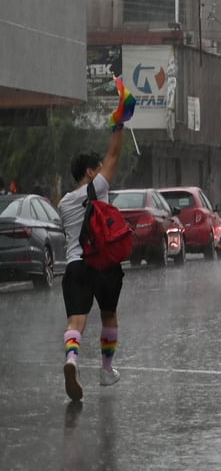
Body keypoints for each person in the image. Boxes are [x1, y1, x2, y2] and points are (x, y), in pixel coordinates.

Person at [57, 123, 126, 401]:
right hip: (104, 264)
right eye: (97, 168)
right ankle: (106, 370)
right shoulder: (97, 187)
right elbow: (115, 152)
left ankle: (72, 359)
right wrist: (119, 122)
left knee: (76, 321)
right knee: (108, 315)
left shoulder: (64, 203)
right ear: (89, 172)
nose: (103, 171)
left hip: (75, 266)